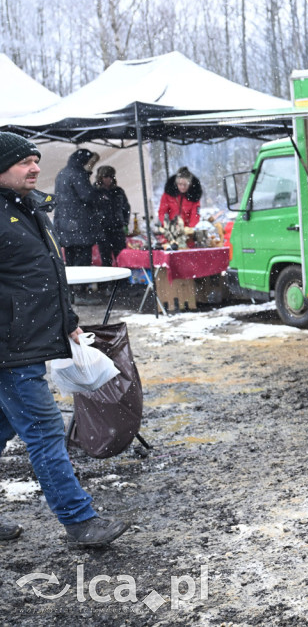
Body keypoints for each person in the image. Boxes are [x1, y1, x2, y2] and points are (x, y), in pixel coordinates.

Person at [0, 132, 129, 547]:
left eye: (36, 160)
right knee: (44, 431)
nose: (35, 167)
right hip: (9, 348)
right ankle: (79, 522)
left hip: (30, 339)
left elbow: (48, 272)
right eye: (24, 162)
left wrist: (69, 320)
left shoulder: (30, 208)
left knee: (4, 430)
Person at [52, 147, 101, 267]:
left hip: (65, 224)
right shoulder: (78, 174)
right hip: (79, 226)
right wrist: (97, 192)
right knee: (82, 262)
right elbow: (87, 196)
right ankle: (80, 286)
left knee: (70, 260)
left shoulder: (63, 173)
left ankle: (72, 286)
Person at [93, 165, 131, 267]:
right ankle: (108, 282)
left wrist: (124, 222)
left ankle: (123, 282)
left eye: (111, 176)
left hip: (117, 229)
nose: (108, 179)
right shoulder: (95, 192)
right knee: (106, 261)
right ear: (101, 177)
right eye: (106, 176)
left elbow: (126, 208)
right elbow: (91, 210)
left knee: (122, 258)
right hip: (103, 231)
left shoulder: (118, 191)